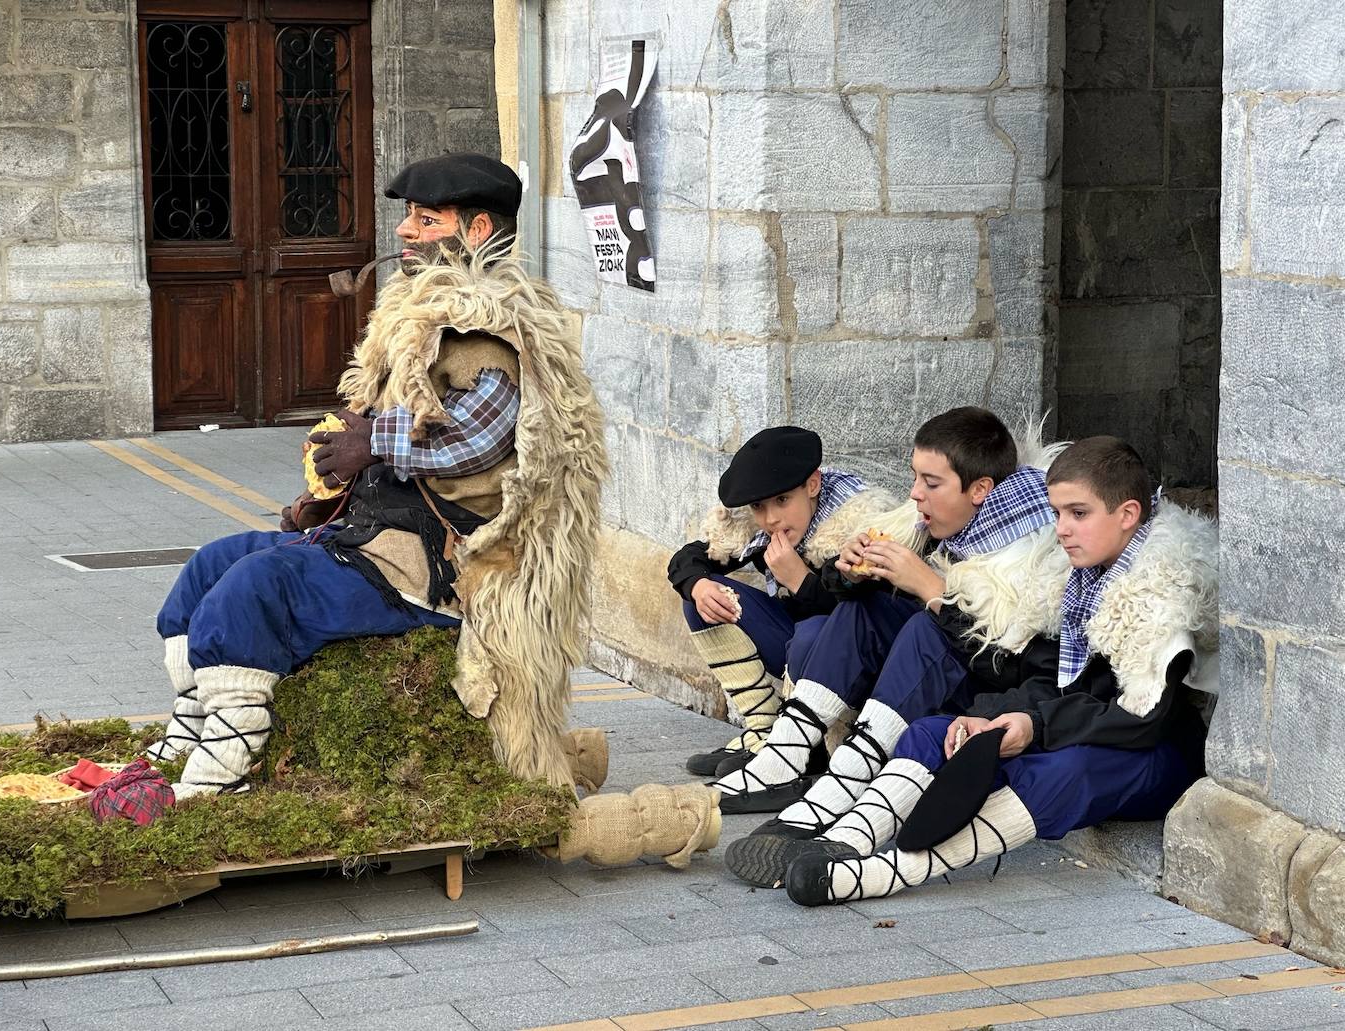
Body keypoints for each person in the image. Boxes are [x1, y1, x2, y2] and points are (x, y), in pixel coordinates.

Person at [145, 152, 607, 799]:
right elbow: (390, 447)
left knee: (255, 586)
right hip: (371, 542)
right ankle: (196, 728)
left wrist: (372, 443)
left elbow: (479, 441)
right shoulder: (424, 323)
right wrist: (328, 496)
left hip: (441, 571)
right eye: (407, 218)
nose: (404, 232)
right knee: (212, 564)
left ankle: (223, 771)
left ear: (476, 231)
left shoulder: (494, 330)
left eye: (425, 219)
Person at [778, 435, 1217, 907]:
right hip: (1069, 727)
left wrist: (1035, 725)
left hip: (1148, 754)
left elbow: (1141, 718)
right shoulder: (1072, 576)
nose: (1063, 529)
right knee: (935, 732)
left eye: (1079, 513)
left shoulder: (1160, 589)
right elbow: (1047, 677)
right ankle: (844, 840)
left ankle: (890, 872)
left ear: (1127, 515)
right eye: (1058, 513)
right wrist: (994, 717)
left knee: (1066, 771)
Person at [716, 407, 1071, 839]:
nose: (915, 494)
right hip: (918, 681)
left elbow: (1022, 665)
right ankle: (783, 758)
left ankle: (843, 782)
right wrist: (845, 571)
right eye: (916, 476)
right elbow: (858, 601)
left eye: (931, 483)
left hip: (990, 704)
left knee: (927, 627)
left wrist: (932, 590)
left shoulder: (1036, 555)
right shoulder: (923, 521)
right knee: (862, 607)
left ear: (980, 489)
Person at [668, 427, 876, 777]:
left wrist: (799, 580)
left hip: (853, 675)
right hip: (796, 647)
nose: (770, 518)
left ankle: (804, 747)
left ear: (812, 485)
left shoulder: (856, 523)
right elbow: (690, 557)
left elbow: (867, 620)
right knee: (705, 596)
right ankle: (765, 731)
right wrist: (699, 585)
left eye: (782, 501)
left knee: (812, 631)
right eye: (759, 506)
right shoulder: (761, 526)